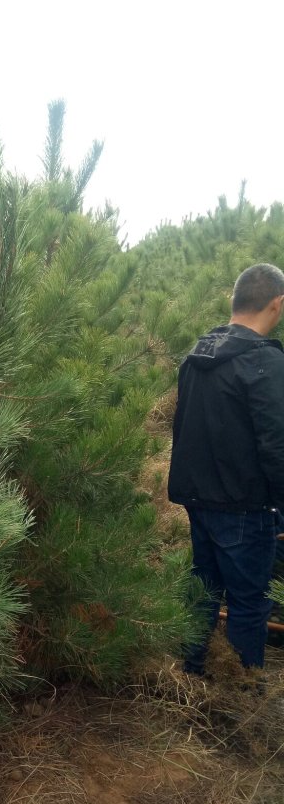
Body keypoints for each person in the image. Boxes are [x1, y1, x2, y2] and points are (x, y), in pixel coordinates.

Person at [168, 262, 284, 676]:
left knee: (204, 588)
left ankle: (194, 668)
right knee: (250, 601)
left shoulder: (196, 357)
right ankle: (241, 686)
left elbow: (181, 428)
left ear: (234, 302)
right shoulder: (263, 363)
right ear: (277, 304)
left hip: (199, 498)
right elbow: (276, 444)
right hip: (244, 506)